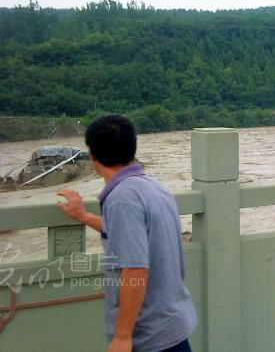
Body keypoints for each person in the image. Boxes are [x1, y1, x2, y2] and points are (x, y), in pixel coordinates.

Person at [57, 114, 197, 352]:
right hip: (172, 326)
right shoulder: (152, 187)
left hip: (149, 337)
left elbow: (135, 268)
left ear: (92, 154)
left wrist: (122, 337)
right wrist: (83, 216)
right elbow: (132, 236)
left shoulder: (123, 199)